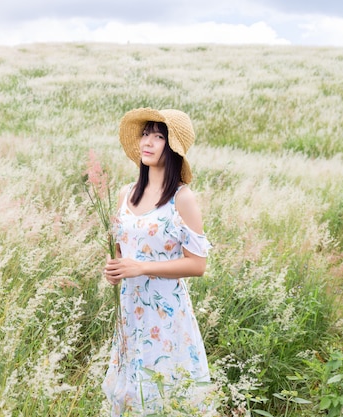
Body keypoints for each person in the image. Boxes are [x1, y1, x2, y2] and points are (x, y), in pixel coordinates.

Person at [102, 108, 213, 416]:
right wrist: (115, 269)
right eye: (145, 134)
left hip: (165, 312)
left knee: (165, 392)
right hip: (129, 310)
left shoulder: (182, 198)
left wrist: (142, 268)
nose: (148, 142)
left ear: (173, 148)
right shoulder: (127, 193)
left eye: (159, 136)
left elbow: (197, 265)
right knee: (130, 393)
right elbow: (122, 252)